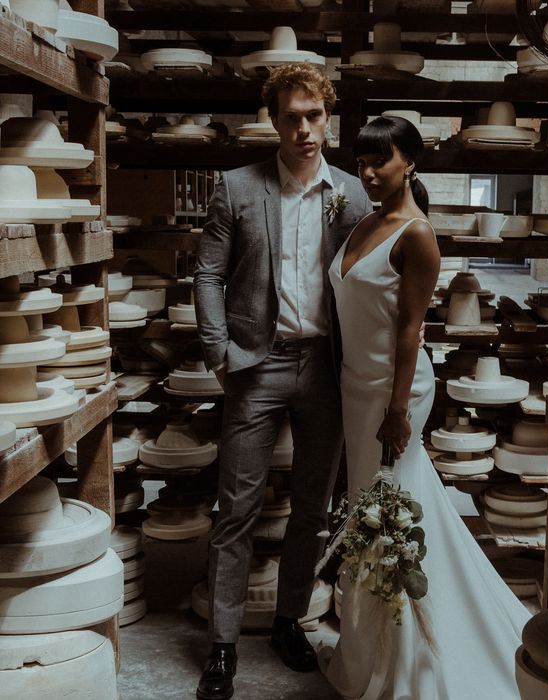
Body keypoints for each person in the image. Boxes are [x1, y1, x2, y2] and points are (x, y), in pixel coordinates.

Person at [320, 115, 532, 699]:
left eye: (378, 162)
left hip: (395, 394)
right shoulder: (365, 221)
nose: (365, 174)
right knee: (381, 516)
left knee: (390, 522)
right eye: (360, 163)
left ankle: (410, 661)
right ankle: (371, 647)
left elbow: (412, 332)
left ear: (409, 163)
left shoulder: (416, 234)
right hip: (354, 386)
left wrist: (397, 411)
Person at [193, 63, 371, 700]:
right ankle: (221, 644)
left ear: (329, 117)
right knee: (235, 509)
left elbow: (371, 280)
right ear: (273, 121)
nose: (304, 128)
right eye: (291, 116)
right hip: (255, 364)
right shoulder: (237, 188)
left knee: (313, 510)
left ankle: (290, 621)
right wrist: (217, 350)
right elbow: (208, 274)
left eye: (314, 115)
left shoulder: (350, 192)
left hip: (326, 368)